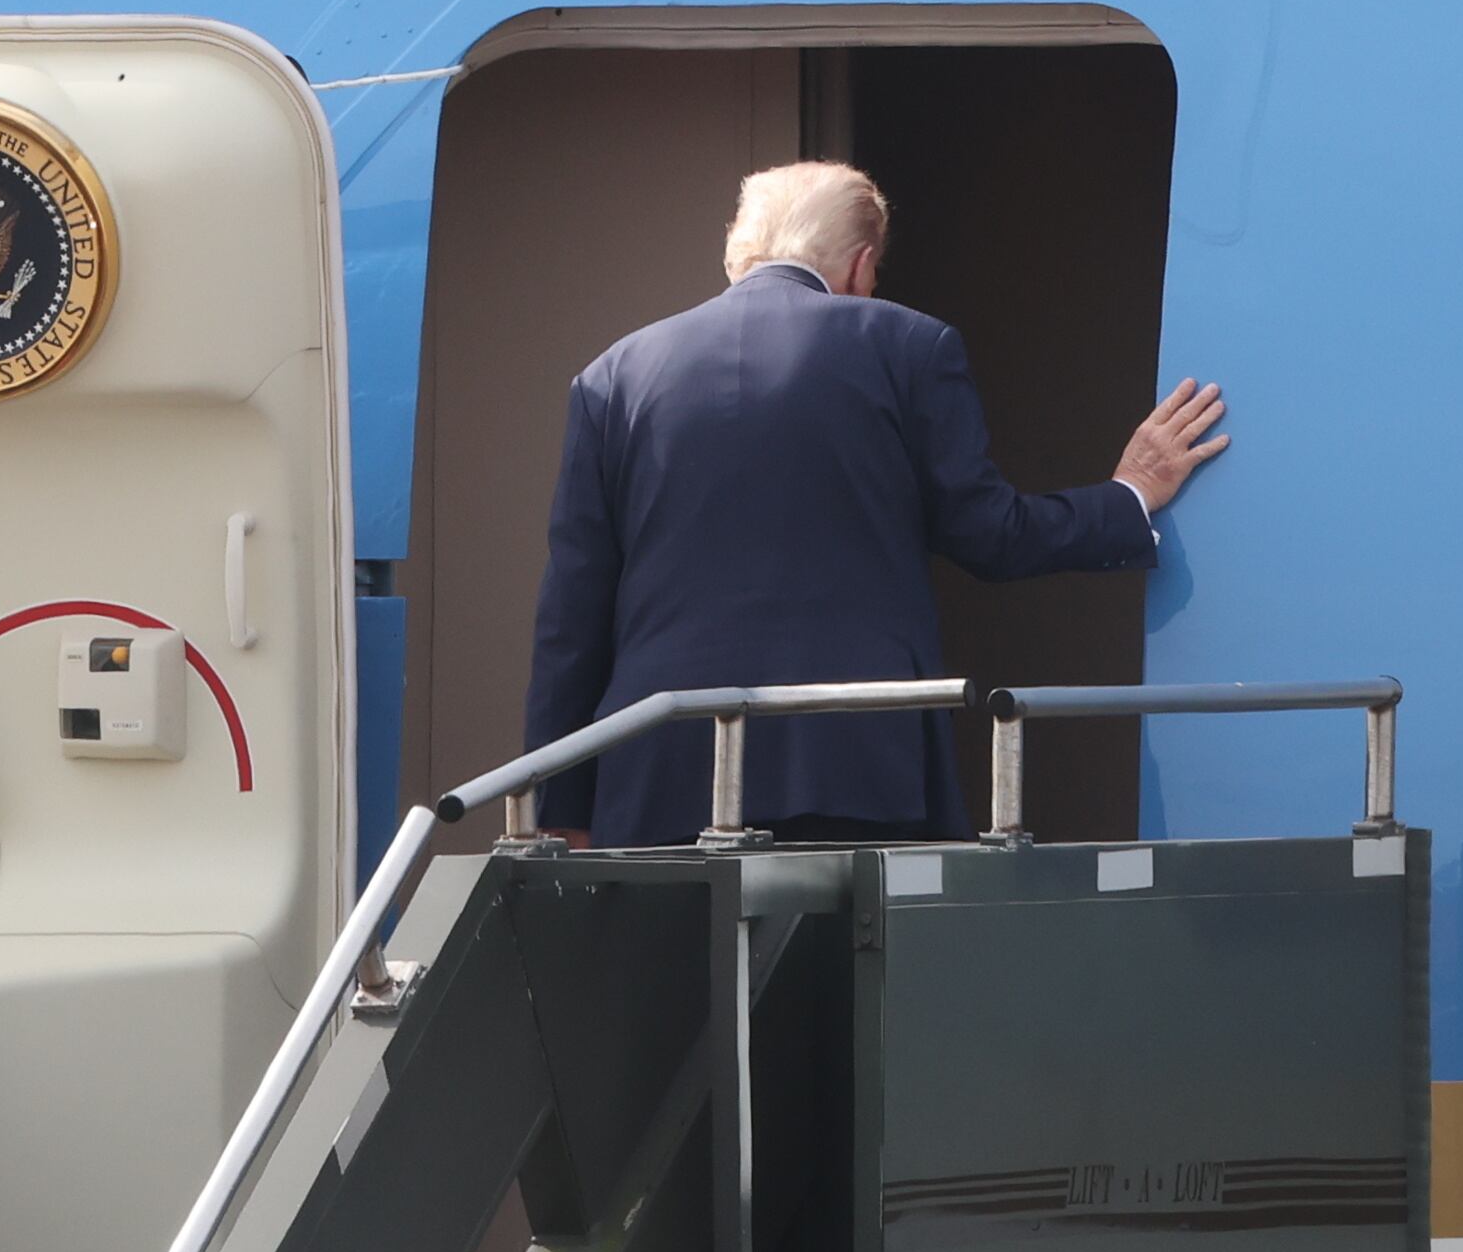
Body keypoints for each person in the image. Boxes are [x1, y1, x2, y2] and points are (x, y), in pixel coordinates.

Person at [521, 161, 1227, 848]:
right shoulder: (909, 345)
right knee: (852, 965)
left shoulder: (611, 378)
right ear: (861, 267)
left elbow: (572, 616)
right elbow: (989, 534)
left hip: (656, 762)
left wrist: (559, 802)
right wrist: (1129, 492)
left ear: (734, 254)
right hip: (854, 752)